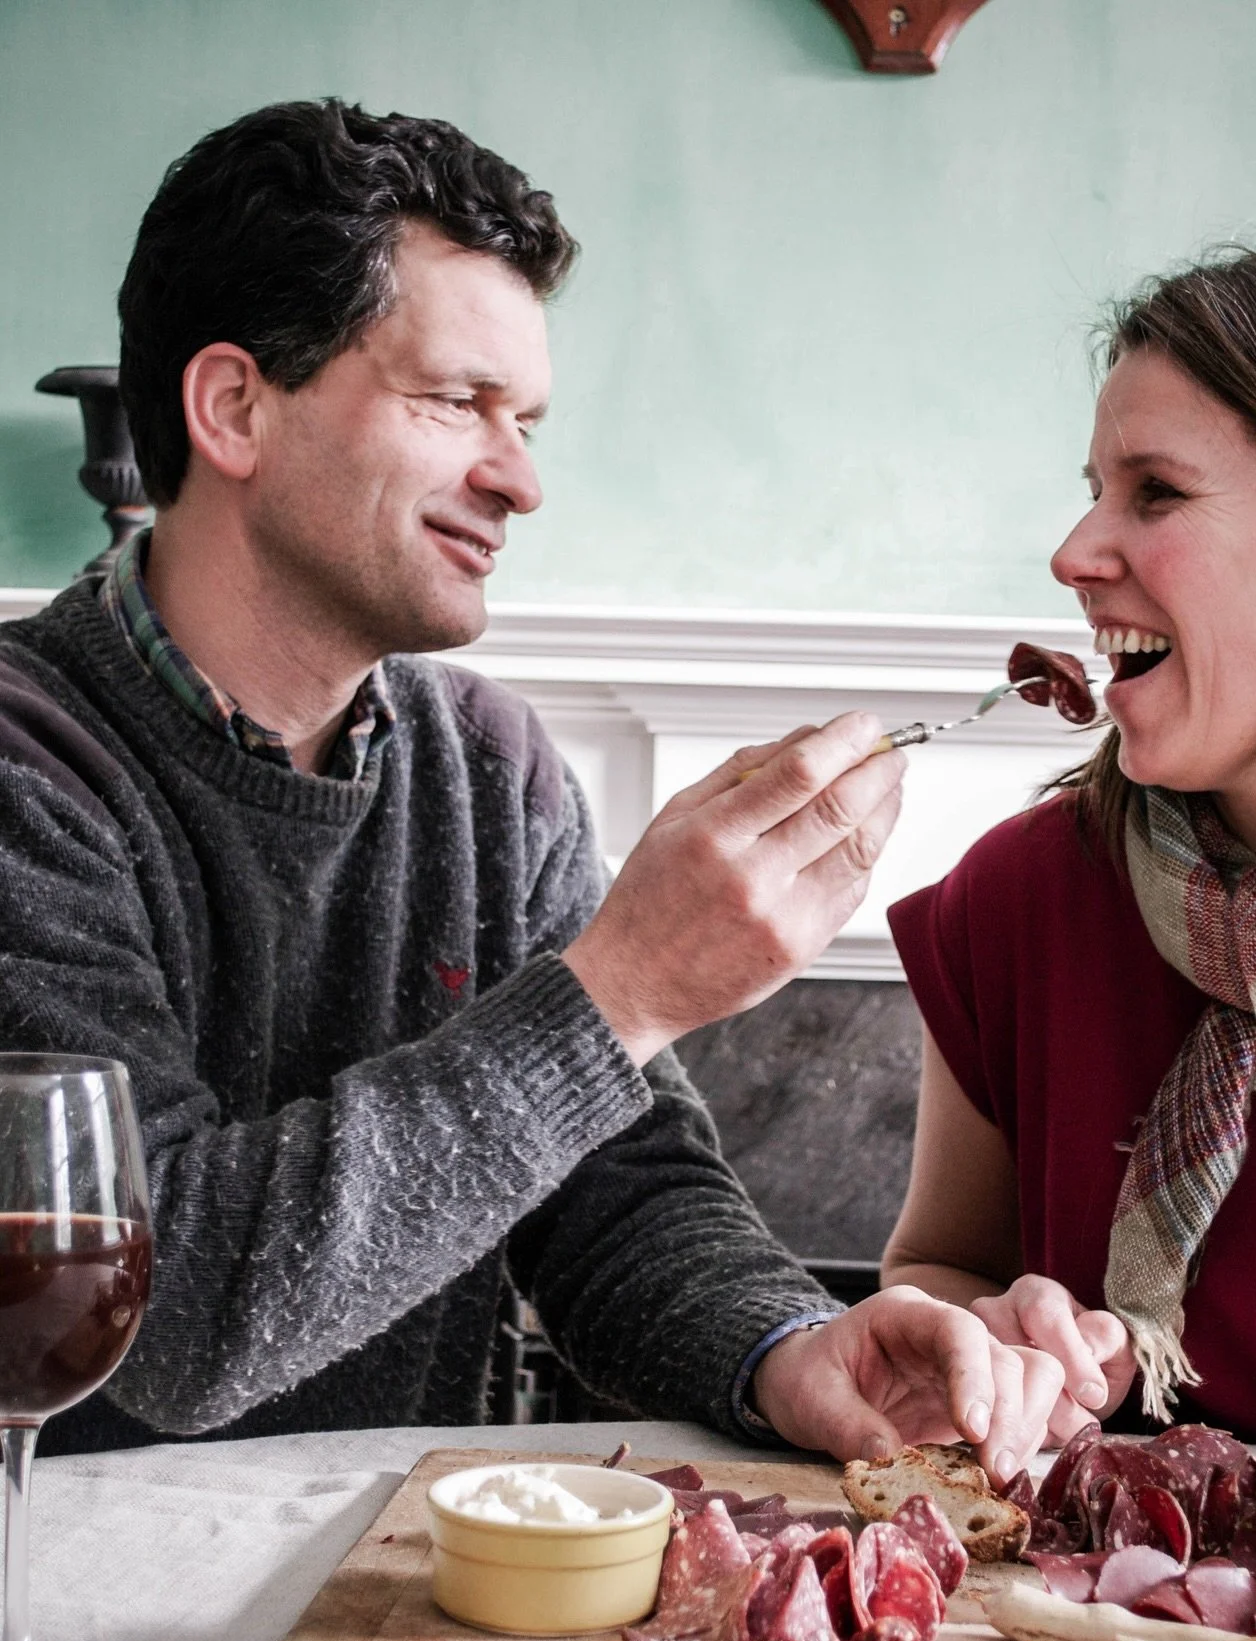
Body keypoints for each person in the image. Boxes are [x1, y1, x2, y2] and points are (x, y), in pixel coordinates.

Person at [0, 99, 1063, 1473]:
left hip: (386, 1599)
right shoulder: (31, 762)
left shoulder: (491, 770)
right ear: (232, 408)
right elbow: (163, 1319)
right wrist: (619, 989)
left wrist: (793, 1348)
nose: (521, 480)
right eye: (455, 403)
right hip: (65, 1627)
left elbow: (618, 1197)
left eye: (529, 421)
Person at [884, 245, 1256, 1461]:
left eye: (1156, 493)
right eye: (1093, 488)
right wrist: (987, 1347)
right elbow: (937, 1267)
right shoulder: (1016, 900)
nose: (1075, 551)